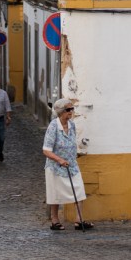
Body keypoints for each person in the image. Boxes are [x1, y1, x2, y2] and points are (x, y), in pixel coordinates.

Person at [42, 98, 94, 230]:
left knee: (79, 190)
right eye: (68, 109)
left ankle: (79, 220)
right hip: (55, 167)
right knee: (55, 194)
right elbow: (46, 150)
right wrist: (59, 159)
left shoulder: (72, 125)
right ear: (61, 112)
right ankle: (55, 221)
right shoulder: (53, 126)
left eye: (72, 109)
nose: (71, 112)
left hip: (71, 165)